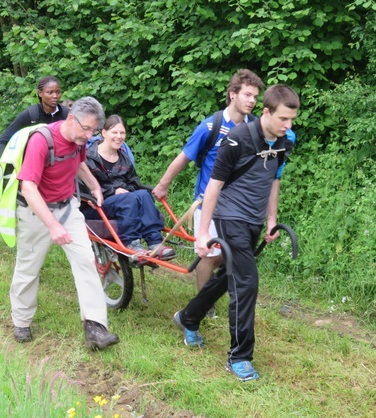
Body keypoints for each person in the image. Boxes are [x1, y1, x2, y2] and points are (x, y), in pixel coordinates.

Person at [172, 84, 299, 382]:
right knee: (246, 282)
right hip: (230, 216)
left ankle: (188, 317)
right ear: (265, 112)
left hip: (254, 219)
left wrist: (270, 220)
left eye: (292, 119)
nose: (288, 125)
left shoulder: (285, 141)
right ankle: (239, 357)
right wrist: (203, 234)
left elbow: (274, 180)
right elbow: (213, 186)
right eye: (283, 119)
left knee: (230, 275)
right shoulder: (237, 139)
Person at [9, 96, 119, 350]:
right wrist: (52, 225)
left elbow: (79, 163)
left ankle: (95, 327)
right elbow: (28, 188)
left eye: (93, 130)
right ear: (71, 119)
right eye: (87, 129)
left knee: (86, 262)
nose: (90, 135)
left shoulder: (78, 140)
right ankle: (22, 320)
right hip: (36, 213)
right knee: (29, 268)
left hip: (67, 208)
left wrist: (93, 185)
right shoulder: (42, 141)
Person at [153, 69, 265, 312]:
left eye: (255, 97)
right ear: (232, 94)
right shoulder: (210, 126)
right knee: (207, 254)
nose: (252, 101)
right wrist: (163, 184)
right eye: (247, 94)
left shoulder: (256, 127)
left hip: (239, 206)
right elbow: (185, 157)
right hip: (208, 204)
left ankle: (223, 293)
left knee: (234, 254)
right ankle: (204, 304)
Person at [81, 115, 175, 259]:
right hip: (95, 205)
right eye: (114, 132)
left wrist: (144, 191)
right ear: (103, 133)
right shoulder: (88, 158)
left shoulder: (124, 158)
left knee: (143, 194)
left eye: (122, 133)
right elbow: (85, 188)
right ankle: (132, 244)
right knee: (128, 199)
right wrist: (113, 191)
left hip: (123, 202)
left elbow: (134, 183)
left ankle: (155, 242)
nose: (119, 137)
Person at [0, 76, 70, 157]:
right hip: (34, 164)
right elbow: (2, 142)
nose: (55, 96)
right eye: (50, 92)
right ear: (40, 93)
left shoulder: (66, 114)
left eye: (58, 92)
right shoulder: (31, 115)